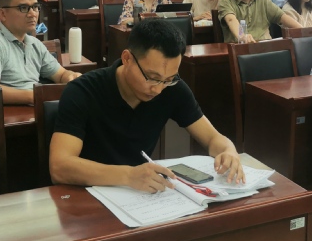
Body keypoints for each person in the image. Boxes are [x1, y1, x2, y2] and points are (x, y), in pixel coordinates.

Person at [49, 18, 244, 190]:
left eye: (168, 79)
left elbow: (213, 138)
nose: (158, 89)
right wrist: (128, 176)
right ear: (127, 59)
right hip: (85, 196)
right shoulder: (82, 91)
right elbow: (59, 167)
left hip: (139, 194)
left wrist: (229, 151)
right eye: (152, 77)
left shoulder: (172, 88)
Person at [0, 0, 81, 105]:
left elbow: (60, 75)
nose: (33, 14)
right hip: (13, 113)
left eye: (35, 7)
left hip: (39, 107)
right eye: (23, 8)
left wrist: (71, 76)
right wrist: (37, 96)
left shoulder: (34, 43)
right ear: (3, 14)